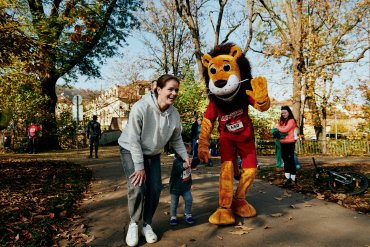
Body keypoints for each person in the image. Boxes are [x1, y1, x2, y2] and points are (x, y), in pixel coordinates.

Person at [118, 74, 190, 247]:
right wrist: (140, 167)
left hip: (153, 152)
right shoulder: (141, 107)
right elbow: (134, 139)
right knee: (137, 187)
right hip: (130, 148)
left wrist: (185, 157)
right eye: (170, 89)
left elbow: (176, 139)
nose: (174, 93)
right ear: (158, 89)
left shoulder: (174, 114)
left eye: (176, 90)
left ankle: (147, 224)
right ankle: (134, 223)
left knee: (155, 188)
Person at [169, 144, 194, 226]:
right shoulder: (176, 161)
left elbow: (194, 163)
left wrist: (200, 158)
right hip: (175, 188)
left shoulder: (188, 160)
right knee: (174, 203)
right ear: (179, 153)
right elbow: (180, 167)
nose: (188, 155)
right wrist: (186, 164)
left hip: (185, 187)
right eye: (186, 153)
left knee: (189, 199)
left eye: (189, 153)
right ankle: (173, 217)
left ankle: (187, 214)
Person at [276, 106, 298, 187]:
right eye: (282, 113)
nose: (284, 114)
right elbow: (281, 129)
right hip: (282, 142)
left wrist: (278, 127)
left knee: (290, 159)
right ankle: (288, 178)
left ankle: (293, 178)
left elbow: (285, 129)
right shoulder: (282, 121)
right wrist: (280, 127)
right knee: (285, 160)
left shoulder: (291, 120)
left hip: (290, 142)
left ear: (289, 112)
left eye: (285, 112)